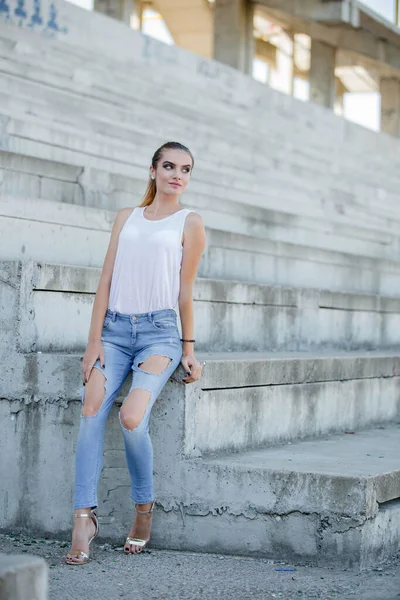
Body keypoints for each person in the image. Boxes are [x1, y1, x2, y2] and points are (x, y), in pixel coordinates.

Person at [65, 141, 206, 565]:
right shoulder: (126, 218)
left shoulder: (190, 222)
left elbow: (185, 291)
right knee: (92, 407)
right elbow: (106, 278)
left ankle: (143, 509)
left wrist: (188, 348)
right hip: (114, 331)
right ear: (153, 170)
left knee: (130, 417)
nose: (176, 174)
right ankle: (83, 517)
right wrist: (93, 341)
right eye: (168, 166)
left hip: (159, 334)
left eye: (184, 169)